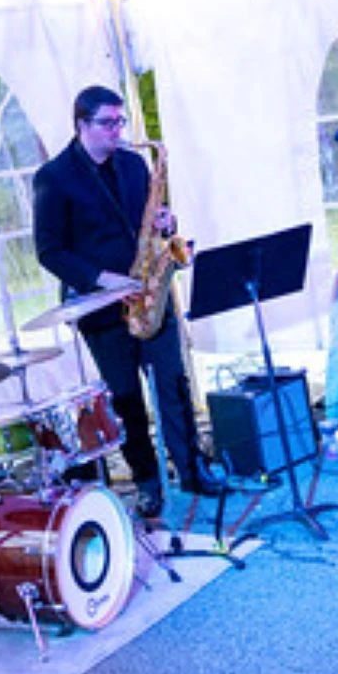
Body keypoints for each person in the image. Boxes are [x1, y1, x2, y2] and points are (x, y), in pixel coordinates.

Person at [32, 85, 215, 517]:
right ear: (82, 125)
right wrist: (102, 279)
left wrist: (167, 222)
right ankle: (147, 480)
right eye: (107, 123)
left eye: (119, 122)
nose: (118, 131)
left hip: (150, 294)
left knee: (173, 383)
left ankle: (191, 469)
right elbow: (49, 250)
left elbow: (151, 221)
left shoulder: (134, 164)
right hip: (101, 307)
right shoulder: (54, 178)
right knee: (127, 397)